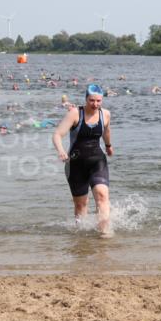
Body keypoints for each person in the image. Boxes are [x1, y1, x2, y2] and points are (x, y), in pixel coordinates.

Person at [52, 84, 114, 236]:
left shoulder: (105, 114)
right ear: (86, 99)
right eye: (92, 100)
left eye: (98, 101)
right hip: (75, 165)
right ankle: (81, 238)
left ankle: (104, 234)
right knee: (81, 205)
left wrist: (108, 146)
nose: (95, 104)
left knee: (102, 196)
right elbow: (57, 134)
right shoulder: (75, 113)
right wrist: (61, 151)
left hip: (97, 162)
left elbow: (106, 131)